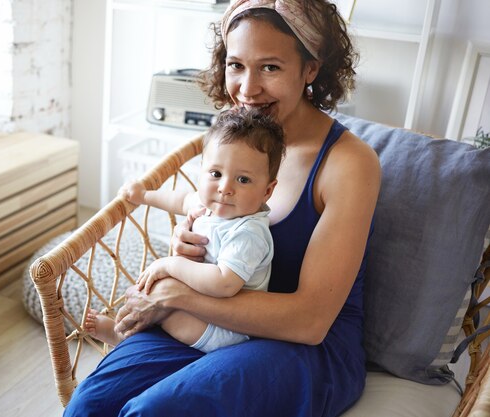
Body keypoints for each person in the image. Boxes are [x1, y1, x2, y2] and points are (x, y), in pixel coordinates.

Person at [65, 0, 381, 415]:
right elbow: (204, 213)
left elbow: (309, 322)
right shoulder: (234, 136)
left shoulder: (348, 165)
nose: (247, 90)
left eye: (270, 67)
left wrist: (177, 293)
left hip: (302, 349)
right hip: (213, 325)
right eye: (236, 65)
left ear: (310, 68)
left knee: (153, 412)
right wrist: (190, 241)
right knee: (88, 407)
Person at [85, 108, 285, 352]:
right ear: (202, 171)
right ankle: (124, 330)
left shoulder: (248, 232)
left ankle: (123, 339)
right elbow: (179, 200)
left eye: (243, 180)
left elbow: (224, 284)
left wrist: (169, 265)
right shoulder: (208, 205)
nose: (225, 188)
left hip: (226, 328)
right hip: (198, 304)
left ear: (267, 191)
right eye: (215, 174)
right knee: (146, 292)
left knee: (163, 308)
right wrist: (144, 195)